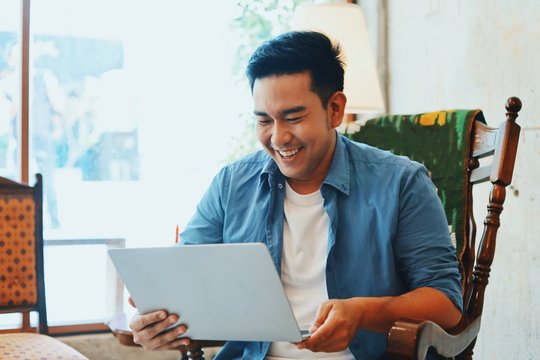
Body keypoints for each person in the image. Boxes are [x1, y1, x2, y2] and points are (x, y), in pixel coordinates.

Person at [129, 31, 462, 359]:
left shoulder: (401, 182)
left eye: (293, 117)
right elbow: (183, 282)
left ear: (335, 109)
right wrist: (156, 323)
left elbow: (446, 306)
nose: (278, 137)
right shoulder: (231, 184)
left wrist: (362, 312)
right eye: (264, 120)